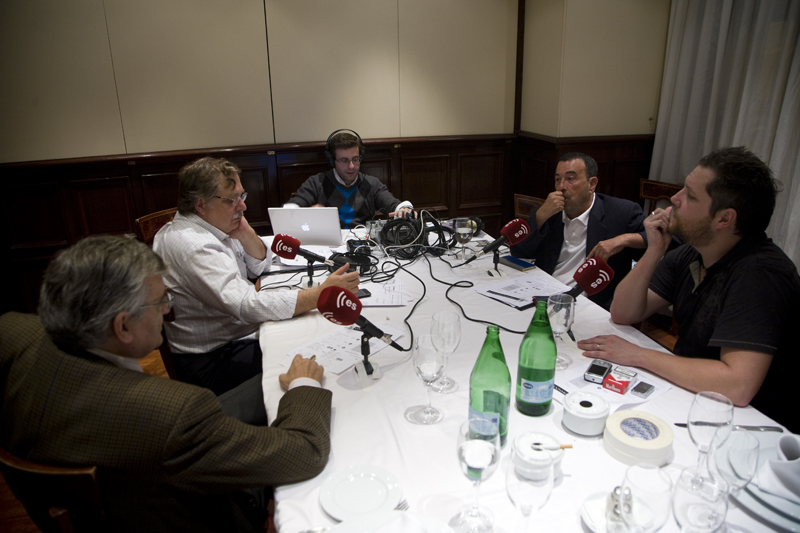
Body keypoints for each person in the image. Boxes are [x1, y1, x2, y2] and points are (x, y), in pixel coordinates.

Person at [0, 235, 332, 532]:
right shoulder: (174, 412)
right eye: (160, 301)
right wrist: (304, 386)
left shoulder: (13, 334)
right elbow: (304, 453)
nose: (167, 310)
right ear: (123, 326)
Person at [578, 147, 800, 433]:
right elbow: (623, 312)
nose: (675, 198)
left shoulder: (761, 274)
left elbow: (738, 385)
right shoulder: (694, 253)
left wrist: (638, 354)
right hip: (694, 398)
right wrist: (654, 250)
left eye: (691, 196)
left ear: (724, 219)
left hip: (752, 429)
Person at [154, 157, 359, 395]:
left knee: (312, 334)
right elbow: (245, 305)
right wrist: (320, 295)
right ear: (201, 205)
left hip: (236, 337)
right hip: (213, 360)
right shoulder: (193, 245)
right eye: (232, 199)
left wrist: (246, 233)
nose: (243, 206)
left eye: (242, 196)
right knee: (316, 355)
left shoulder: (214, 223)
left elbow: (258, 267)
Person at [509, 152, 647, 309]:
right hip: (545, 294)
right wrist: (540, 216)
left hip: (592, 304)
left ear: (592, 184)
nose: (561, 186)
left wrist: (622, 240)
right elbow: (519, 251)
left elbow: (659, 238)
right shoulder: (550, 212)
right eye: (557, 179)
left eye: (570, 178)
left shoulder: (621, 212)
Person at [285, 130, 413, 228]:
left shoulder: (371, 183)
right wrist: (307, 213)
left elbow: (392, 203)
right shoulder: (316, 182)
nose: (351, 166)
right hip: (327, 246)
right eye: (344, 160)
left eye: (355, 159)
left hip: (363, 245)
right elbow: (290, 209)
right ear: (332, 161)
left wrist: (402, 209)